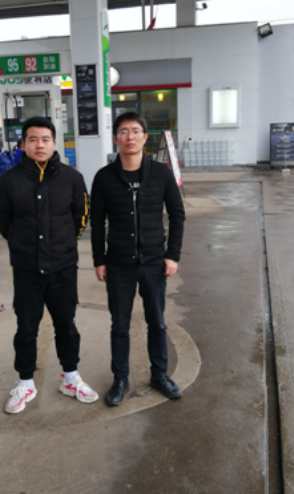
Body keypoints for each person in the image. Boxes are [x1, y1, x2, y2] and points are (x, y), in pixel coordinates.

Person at [0, 116, 98, 414]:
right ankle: (25, 382)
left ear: (54, 143)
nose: (39, 145)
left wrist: (63, 243)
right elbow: (4, 220)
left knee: (66, 325)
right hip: (26, 269)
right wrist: (22, 243)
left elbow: (81, 216)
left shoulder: (72, 178)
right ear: (23, 144)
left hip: (63, 267)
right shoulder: (8, 181)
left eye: (45, 139)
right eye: (33, 139)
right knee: (26, 327)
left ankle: (70, 378)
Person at [90, 112, 185, 406]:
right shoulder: (104, 177)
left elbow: (177, 215)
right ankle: (120, 379)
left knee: (157, 322)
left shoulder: (161, 174)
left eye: (135, 131)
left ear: (145, 137)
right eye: (123, 131)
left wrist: (172, 255)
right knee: (119, 325)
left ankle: (160, 375)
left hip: (154, 263)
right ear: (115, 138)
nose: (129, 137)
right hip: (118, 265)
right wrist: (99, 260)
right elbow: (97, 223)